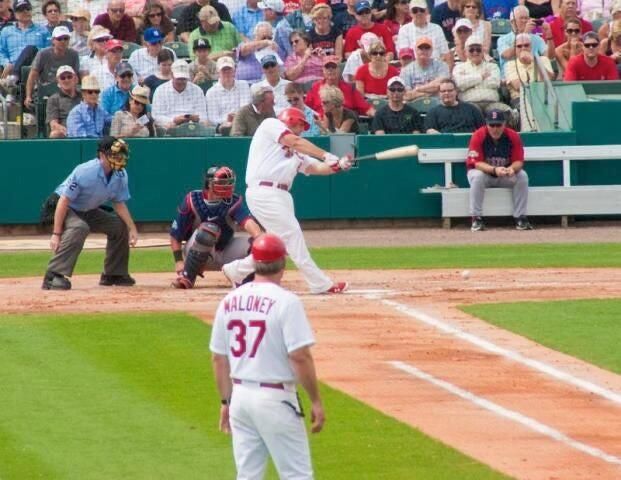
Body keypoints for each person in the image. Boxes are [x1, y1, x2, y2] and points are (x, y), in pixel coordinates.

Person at [210, 232, 325, 479]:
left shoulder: (229, 300)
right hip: (276, 399)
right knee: (297, 475)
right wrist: (315, 399)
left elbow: (219, 358)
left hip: (240, 399)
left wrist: (225, 402)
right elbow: (300, 356)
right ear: (283, 264)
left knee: (248, 475)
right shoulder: (287, 302)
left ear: (253, 262)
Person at [222, 108, 351, 294]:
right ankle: (319, 283)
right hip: (264, 191)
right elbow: (295, 141)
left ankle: (236, 270)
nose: (301, 129)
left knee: (280, 243)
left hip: (281, 195)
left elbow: (317, 168)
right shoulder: (271, 125)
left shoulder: (296, 153)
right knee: (293, 235)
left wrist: (338, 165)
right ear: (289, 120)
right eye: (299, 125)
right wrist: (325, 154)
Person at [41, 136, 138, 290]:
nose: (119, 157)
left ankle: (113, 274)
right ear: (101, 155)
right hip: (62, 207)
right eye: (114, 154)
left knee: (118, 225)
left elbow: (119, 203)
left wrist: (132, 228)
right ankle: (53, 276)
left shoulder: (120, 175)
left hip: (88, 209)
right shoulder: (85, 171)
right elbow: (63, 201)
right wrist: (56, 233)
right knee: (79, 227)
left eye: (120, 154)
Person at [169, 165, 263, 289]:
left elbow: (247, 222)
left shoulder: (233, 201)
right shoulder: (192, 200)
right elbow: (175, 235)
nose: (227, 186)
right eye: (222, 183)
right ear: (209, 184)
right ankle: (187, 277)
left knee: (256, 244)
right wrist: (178, 261)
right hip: (196, 250)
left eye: (229, 183)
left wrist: (259, 237)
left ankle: (246, 280)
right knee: (208, 230)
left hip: (226, 250)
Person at [467, 108, 532, 231]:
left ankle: (520, 218)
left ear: (504, 124)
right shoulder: (479, 135)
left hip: (504, 174)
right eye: (492, 125)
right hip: (485, 175)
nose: (495, 128)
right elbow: (476, 163)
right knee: (477, 176)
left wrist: (512, 169)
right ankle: (476, 218)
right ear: (487, 124)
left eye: (498, 125)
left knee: (522, 176)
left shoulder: (512, 135)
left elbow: (519, 161)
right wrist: (494, 169)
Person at [24, 26, 80, 109]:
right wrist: (28, 96)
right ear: (53, 40)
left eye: (66, 38)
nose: (63, 41)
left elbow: (75, 77)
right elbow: (32, 76)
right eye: (59, 39)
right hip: (45, 91)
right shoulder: (43, 54)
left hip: (66, 88)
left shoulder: (74, 54)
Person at [305, 54, 375, 116]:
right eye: (327, 68)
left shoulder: (349, 89)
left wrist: (376, 115)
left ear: (339, 70)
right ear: (323, 70)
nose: (330, 70)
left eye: (333, 67)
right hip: (321, 125)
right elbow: (305, 110)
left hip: (345, 124)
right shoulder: (315, 88)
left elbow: (366, 108)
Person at [152, 58, 209, 130]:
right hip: (169, 128)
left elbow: (203, 114)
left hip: (193, 127)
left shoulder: (197, 90)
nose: (181, 82)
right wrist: (174, 120)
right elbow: (157, 116)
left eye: (184, 78)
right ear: (172, 75)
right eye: (179, 78)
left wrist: (196, 118)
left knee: (206, 123)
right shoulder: (160, 91)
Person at [0, 0, 50, 81]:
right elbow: (1, 51)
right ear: (15, 14)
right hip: (13, 66)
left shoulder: (42, 30)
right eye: (21, 10)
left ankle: (14, 78)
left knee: (31, 49)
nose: (25, 12)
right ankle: (14, 79)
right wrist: (6, 63)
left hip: (36, 67)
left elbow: (49, 50)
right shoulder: (6, 31)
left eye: (28, 9)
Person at [497, 5, 554, 75]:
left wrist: (549, 35)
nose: (524, 21)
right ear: (512, 22)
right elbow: (507, 55)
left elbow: (550, 56)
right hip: (511, 76)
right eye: (521, 18)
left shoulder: (537, 39)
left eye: (526, 18)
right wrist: (525, 33)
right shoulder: (503, 39)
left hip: (533, 75)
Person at [452, 36, 504, 114]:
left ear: (483, 51)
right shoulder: (459, 67)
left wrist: (470, 82)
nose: (475, 52)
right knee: (472, 112)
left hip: (492, 102)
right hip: (469, 103)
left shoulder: (492, 66)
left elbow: (495, 83)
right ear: (465, 52)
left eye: (478, 50)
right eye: (471, 50)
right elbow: (460, 84)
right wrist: (481, 77)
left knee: (507, 112)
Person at [205, 55, 252, 132]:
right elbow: (213, 118)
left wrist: (236, 118)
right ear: (218, 72)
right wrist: (227, 120)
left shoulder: (244, 85)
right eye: (224, 70)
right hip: (221, 128)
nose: (227, 72)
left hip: (242, 124)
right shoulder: (211, 92)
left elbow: (245, 108)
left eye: (229, 69)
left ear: (234, 71)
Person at [505, 32, 553, 106]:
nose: (523, 48)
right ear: (515, 49)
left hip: (543, 96)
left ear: (531, 47)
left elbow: (549, 79)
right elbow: (518, 87)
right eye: (519, 46)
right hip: (521, 98)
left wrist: (535, 61)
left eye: (526, 45)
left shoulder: (543, 60)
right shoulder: (510, 65)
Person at [46, 64, 81, 138]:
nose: (66, 80)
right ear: (58, 81)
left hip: (83, 129)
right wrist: (69, 131)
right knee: (54, 134)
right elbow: (53, 124)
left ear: (75, 79)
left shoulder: (83, 96)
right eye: (62, 78)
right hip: (65, 133)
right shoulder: (53, 99)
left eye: (69, 77)